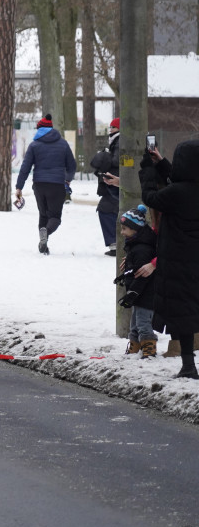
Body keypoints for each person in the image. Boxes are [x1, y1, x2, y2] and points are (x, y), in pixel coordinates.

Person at [139, 140, 199, 378]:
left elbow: (150, 197)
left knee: (183, 314)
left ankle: (188, 365)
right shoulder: (186, 189)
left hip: (178, 262)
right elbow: (183, 180)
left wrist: (148, 170)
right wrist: (163, 164)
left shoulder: (176, 194)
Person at [14, 114, 76, 255]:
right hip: (57, 185)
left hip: (39, 185)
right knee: (55, 217)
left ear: (39, 129)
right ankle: (46, 233)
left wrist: (19, 187)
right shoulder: (63, 144)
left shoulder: (34, 145)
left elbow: (25, 168)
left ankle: (44, 245)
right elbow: (72, 166)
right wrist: (68, 179)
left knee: (43, 214)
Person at [115, 205, 158, 359]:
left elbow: (141, 275)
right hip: (140, 294)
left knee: (143, 323)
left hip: (146, 294)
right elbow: (134, 269)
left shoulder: (142, 249)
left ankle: (149, 348)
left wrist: (132, 293)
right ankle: (134, 346)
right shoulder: (136, 246)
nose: (122, 232)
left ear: (136, 229)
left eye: (125, 228)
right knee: (135, 323)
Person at [90, 118, 121, 256]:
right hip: (115, 182)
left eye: (113, 127)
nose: (110, 129)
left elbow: (117, 160)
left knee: (106, 209)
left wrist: (104, 155)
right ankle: (117, 243)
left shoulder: (119, 141)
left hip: (117, 183)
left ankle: (116, 244)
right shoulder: (116, 141)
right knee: (109, 210)